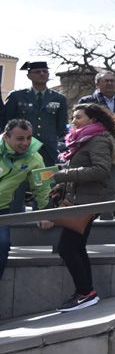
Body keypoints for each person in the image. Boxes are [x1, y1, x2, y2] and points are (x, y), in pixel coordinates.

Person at [48, 104, 115, 312]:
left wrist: (62, 175)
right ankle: (86, 291)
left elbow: (100, 170)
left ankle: (85, 293)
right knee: (76, 247)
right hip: (81, 199)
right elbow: (82, 170)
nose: (74, 120)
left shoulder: (98, 139)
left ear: (93, 119)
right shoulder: (85, 138)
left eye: (79, 117)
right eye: (73, 116)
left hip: (89, 201)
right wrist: (62, 185)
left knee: (67, 247)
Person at [0, 120, 50, 282]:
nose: (26, 143)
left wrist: (46, 212)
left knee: (2, 244)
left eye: (28, 138)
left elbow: (43, 187)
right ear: (7, 137)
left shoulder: (36, 157)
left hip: (2, 210)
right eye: (20, 138)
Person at [6, 61, 68, 169]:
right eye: (37, 71)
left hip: (48, 150)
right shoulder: (16, 96)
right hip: (21, 148)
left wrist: (52, 139)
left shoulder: (59, 98)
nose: (42, 74)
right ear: (29, 76)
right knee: (20, 181)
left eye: (45, 71)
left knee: (46, 182)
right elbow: (6, 122)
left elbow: (61, 126)